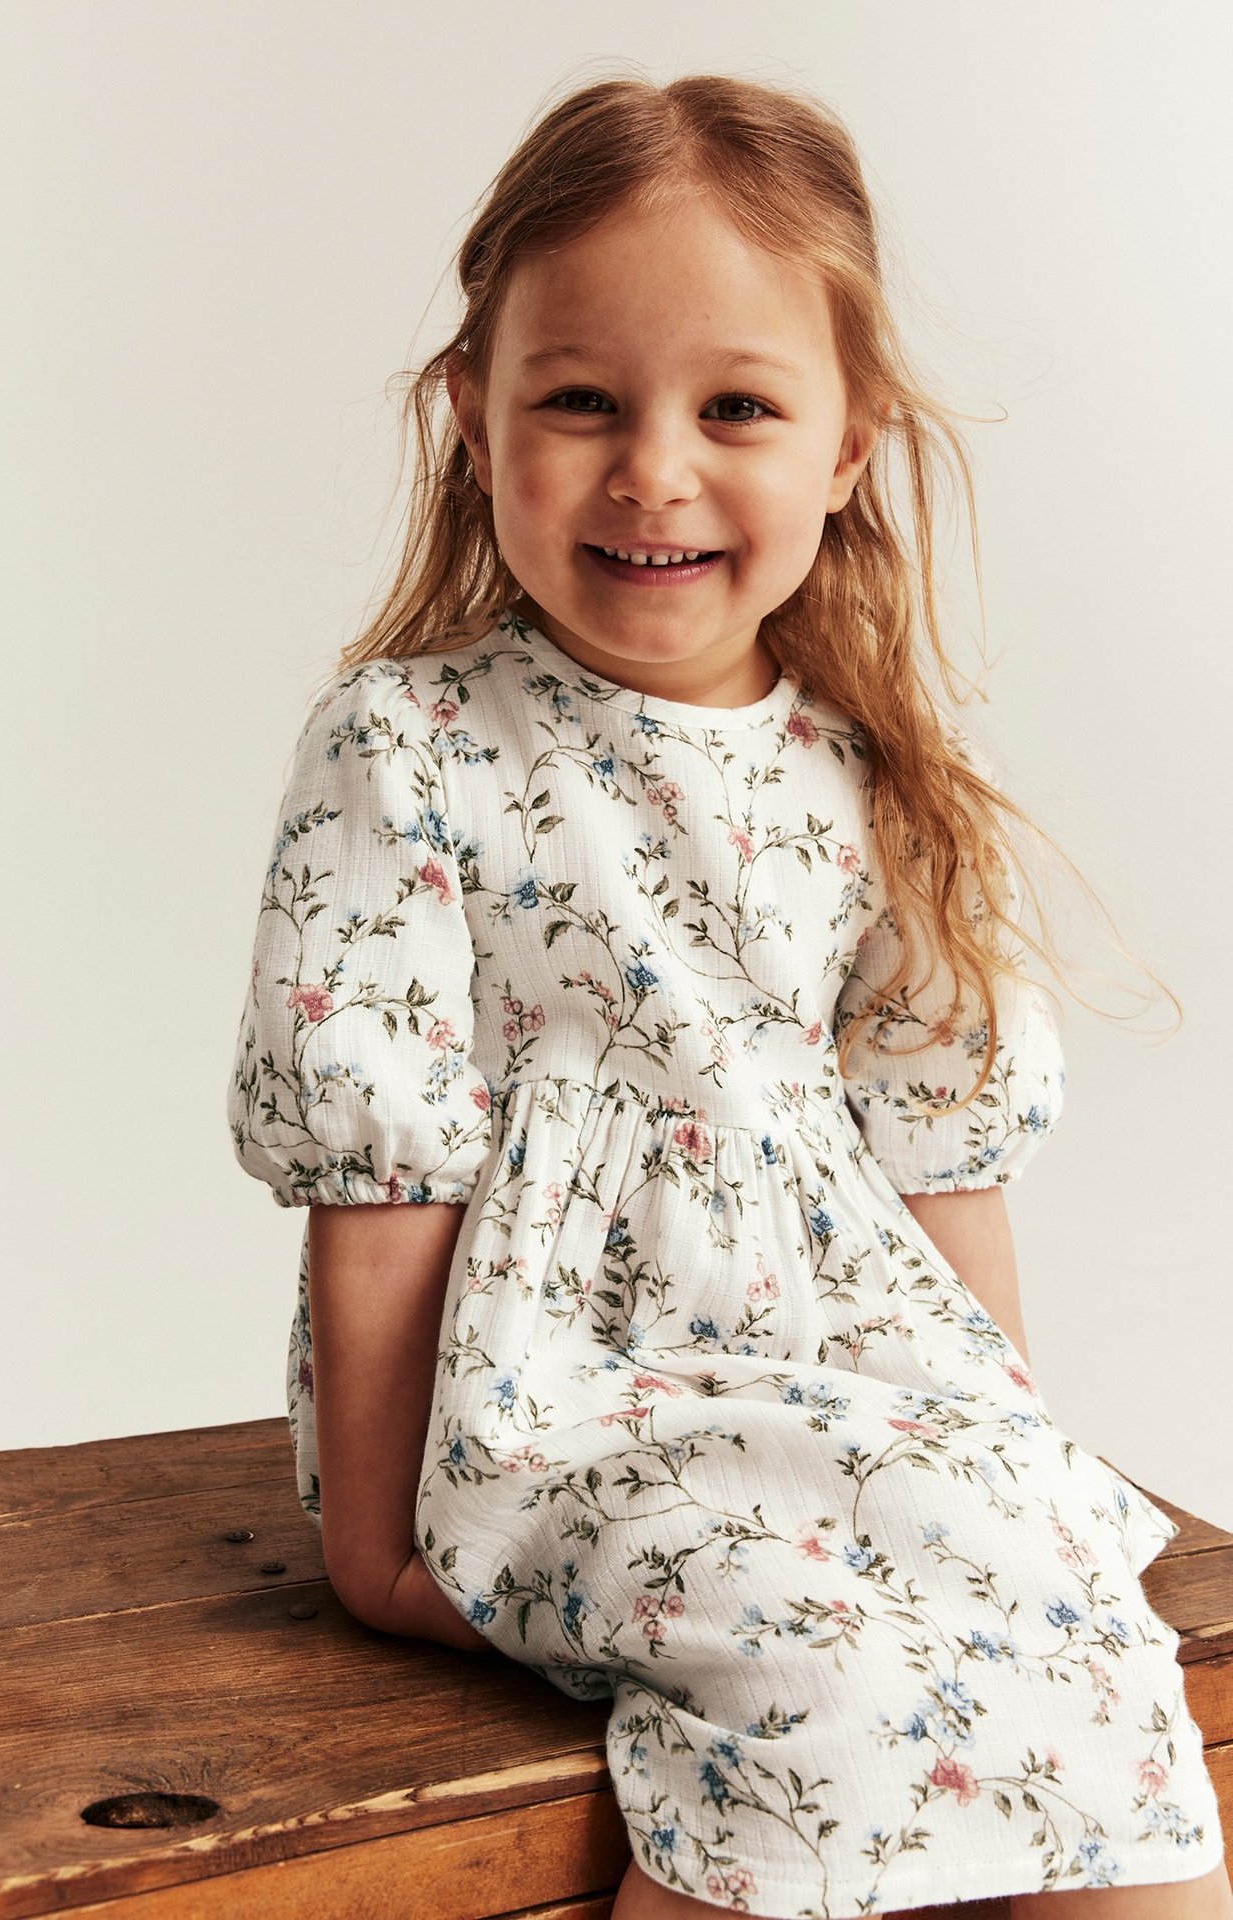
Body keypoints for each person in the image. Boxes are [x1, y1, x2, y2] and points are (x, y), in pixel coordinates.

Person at [224, 71, 1230, 1920]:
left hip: (855, 1389)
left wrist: (996, 1454)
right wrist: (376, 1545)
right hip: (551, 1404)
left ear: (849, 443)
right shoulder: (412, 748)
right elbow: (382, 1169)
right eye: (581, 400)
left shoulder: (878, 773)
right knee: (802, 1665)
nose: (653, 471)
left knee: (1091, 1628)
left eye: (738, 407)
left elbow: (943, 1169)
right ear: (474, 415)